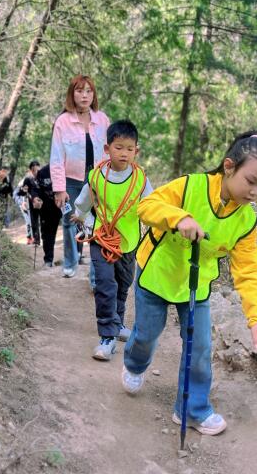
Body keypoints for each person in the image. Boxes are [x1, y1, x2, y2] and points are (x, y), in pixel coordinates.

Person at [122, 131, 257, 438]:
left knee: (199, 347)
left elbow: (248, 272)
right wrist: (179, 218)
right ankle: (134, 364)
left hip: (196, 285)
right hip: (157, 273)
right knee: (146, 334)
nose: (256, 192)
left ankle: (191, 410)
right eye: (251, 181)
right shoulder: (191, 186)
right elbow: (146, 206)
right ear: (229, 167)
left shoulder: (246, 222)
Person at [73, 120, 153, 361]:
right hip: (101, 240)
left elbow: (151, 208)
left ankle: (117, 324)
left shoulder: (140, 180)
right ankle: (107, 336)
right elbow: (82, 206)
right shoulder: (96, 177)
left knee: (122, 284)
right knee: (105, 285)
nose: (124, 153)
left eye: (129, 148)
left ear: (137, 151)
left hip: (129, 243)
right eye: (119, 147)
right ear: (107, 149)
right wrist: (87, 225)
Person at [50, 75, 110, 278]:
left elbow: (110, 150)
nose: (84, 95)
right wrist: (59, 189)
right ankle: (70, 262)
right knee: (69, 220)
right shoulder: (63, 121)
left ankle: (96, 274)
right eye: (79, 91)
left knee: (98, 223)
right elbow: (56, 157)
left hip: (97, 180)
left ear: (93, 95)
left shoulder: (102, 119)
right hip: (70, 181)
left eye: (89, 91)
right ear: (72, 94)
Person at [33, 163, 63, 267]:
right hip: (47, 209)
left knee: (72, 228)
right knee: (47, 234)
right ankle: (48, 260)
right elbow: (36, 188)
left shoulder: (65, 169)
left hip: (65, 206)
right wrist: (35, 197)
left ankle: (76, 256)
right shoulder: (42, 172)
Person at [14, 160, 41, 245]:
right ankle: (32, 238)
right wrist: (21, 203)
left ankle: (36, 239)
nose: (34, 172)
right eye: (32, 170)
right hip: (26, 205)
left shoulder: (41, 179)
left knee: (37, 221)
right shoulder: (23, 182)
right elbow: (16, 194)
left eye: (37, 170)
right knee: (30, 222)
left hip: (38, 204)